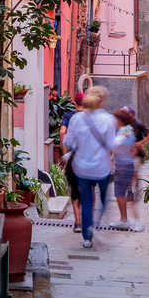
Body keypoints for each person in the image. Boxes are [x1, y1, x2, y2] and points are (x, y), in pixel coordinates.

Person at [63, 85, 116, 247]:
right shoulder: (108, 119)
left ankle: (87, 237)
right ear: (102, 101)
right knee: (104, 199)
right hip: (102, 168)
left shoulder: (76, 119)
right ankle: (96, 222)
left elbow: (69, 141)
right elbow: (111, 145)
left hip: (82, 168)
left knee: (86, 201)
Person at [111, 107, 145, 230]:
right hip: (128, 165)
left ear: (119, 120)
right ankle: (133, 221)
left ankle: (125, 220)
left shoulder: (123, 133)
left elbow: (113, 146)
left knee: (120, 194)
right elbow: (134, 149)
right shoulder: (129, 132)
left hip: (123, 167)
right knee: (129, 194)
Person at [57, 89, 85, 230]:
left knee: (74, 190)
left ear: (74, 103)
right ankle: (87, 221)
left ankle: (78, 222)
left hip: (73, 156)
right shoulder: (90, 117)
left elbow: (62, 132)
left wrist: (65, 153)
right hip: (88, 157)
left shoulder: (69, 116)